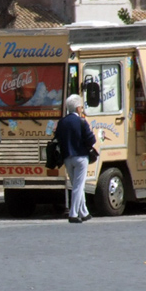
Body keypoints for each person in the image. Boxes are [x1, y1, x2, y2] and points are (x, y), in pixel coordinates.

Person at [53, 94, 97, 224]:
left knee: (76, 185)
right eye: (82, 107)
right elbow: (91, 139)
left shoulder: (62, 122)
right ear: (78, 108)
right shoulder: (82, 121)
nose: (82, 109)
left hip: (67, 158)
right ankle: (73, 214)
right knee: (78, 186)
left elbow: (58, 138)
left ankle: (84, 212)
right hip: (81, 157)